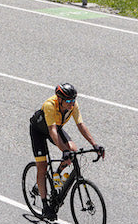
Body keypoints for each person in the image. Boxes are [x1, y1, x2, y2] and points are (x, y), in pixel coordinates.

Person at [28, 82, 104, 214]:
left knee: (73, 152)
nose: (71, 103)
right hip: (39, 131)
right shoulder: (50, 105)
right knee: (42, 166)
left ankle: (56, 174)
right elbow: (52, 131)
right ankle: (45, 204)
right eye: (68, 100)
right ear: (60, 99)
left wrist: (95, 145)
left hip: (56, 128)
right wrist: (64, 151)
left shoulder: (73, 105)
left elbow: (81, 125)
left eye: (73, 100)